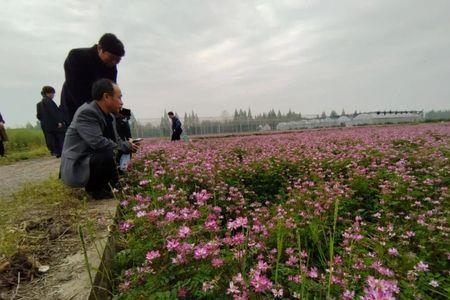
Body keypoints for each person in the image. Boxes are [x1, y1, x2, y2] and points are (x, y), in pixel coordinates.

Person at [60, 79, 139, 200]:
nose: (122, 103)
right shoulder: (87, 112)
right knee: (107, 152)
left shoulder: (110, 116)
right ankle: (96, 190)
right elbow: (98, 143)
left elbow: (116, 141)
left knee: (115, 149)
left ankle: (110, 186)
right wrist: (125, 146)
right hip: (79, 164)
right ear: (106, 97)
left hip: (90, 158)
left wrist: (128, 144)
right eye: (119, 98)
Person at [59, 33, 125, 125]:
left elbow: (111, 91)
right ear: (99, 48)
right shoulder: (76, 57)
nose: (113, 63)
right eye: (111, 58)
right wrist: (96, 111)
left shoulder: (112, 67)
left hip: (99, 108)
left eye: (117, 60)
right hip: (75, 107)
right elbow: (76, 91)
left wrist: (116, 109)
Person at [36, 86, 65, 157]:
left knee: (49, 140)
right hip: (54, 125)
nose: (53, 95)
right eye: (53, 93)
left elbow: (38, 115)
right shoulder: (49, 102)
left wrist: (44, 121)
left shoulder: (39, 104)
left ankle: (54, 152)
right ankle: (59, 152)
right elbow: (53, 112)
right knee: (58, 138)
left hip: (45, 126)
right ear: (48, 93)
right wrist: (59, 122)